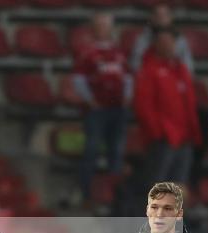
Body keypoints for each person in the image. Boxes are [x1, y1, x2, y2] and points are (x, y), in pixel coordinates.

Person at [73, 12, 133, 204]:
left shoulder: (119, 52)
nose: (102, 29)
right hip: (97, 110)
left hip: (118, 109)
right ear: (93, 28)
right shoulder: (87, 52)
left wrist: (128, 96)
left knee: (116, 152)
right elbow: (79, 79)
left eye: (105, 25)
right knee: (91, 150)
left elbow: (128, 76)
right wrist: (90, 100)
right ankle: (86, 193)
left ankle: (115, 195)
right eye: (99, 25)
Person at [134, 27, 201, 188]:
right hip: (164, 139)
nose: (169, 46)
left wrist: (193, 130)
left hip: (184, 137)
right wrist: (158, 133)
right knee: (159, 186)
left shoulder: (181, 69)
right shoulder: (149, 70)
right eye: (165, 42)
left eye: (171, 42)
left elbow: (190, 102)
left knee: (179, 186)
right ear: (156, 44)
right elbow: (143, 106)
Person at [130, 4, 193, 74]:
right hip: (149, 77)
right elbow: (135, 65)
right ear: (152, 18)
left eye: (165, 15)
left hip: (173, 77)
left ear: (171, 18)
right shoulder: (142, 39)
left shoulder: (180, 40)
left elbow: (188, 67)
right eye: (158, 15)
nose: (161, 18)